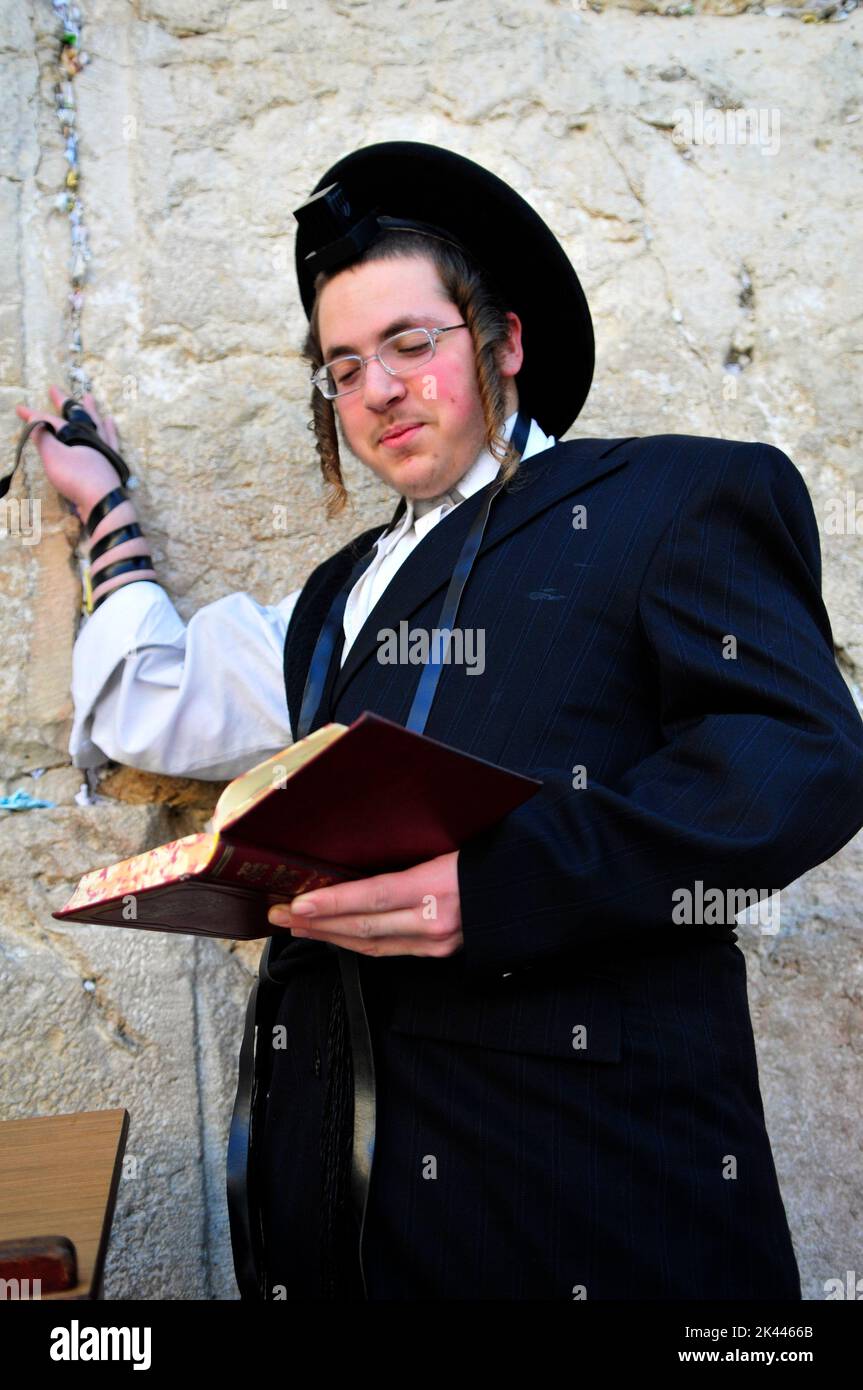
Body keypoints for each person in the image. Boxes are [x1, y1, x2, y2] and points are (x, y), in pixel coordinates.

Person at [14, 141, 863, 1302]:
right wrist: (104, 503)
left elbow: (799, 757)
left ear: (505, 342)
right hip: (341, 1215)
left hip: (578, 1201)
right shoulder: (332, 599)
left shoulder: (674, 499)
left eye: (413, 344)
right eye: (344, 364)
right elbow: (158, 703)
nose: (376, 389)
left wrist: (506, 881)